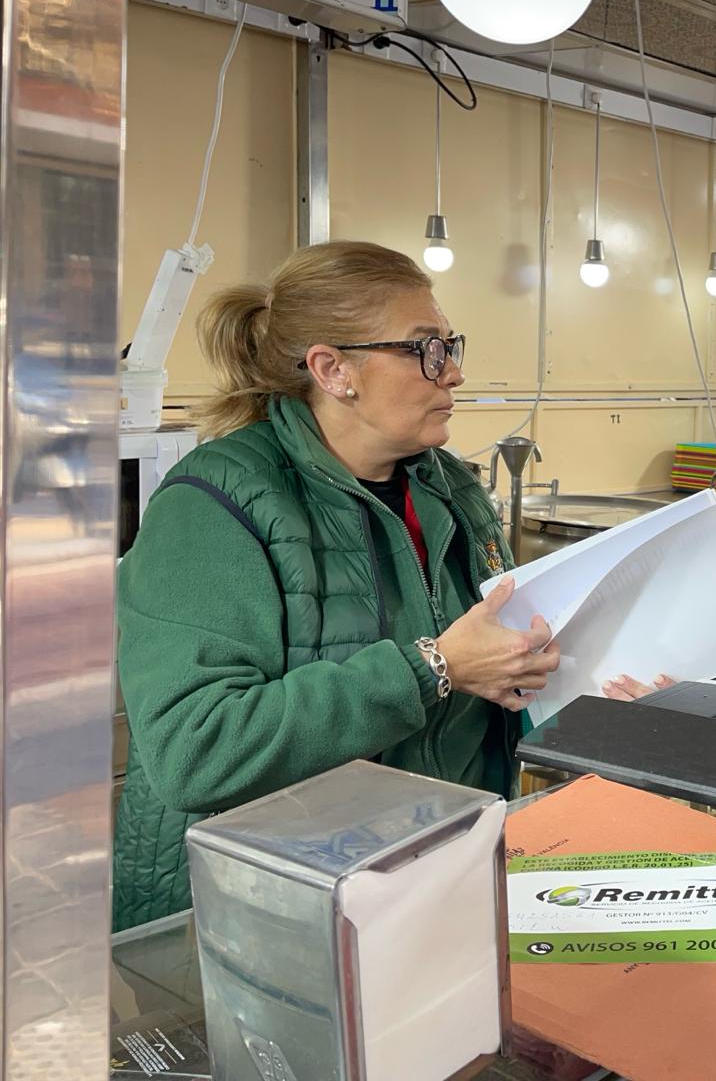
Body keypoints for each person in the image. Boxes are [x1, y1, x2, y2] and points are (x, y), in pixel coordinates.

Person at [114, 242, 658, 930]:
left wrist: (598, 699)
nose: (453, 373)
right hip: (260, 913)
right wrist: (432, 668)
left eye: (450, 346)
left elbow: (500, 672)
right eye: (426, 349)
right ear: (333, 369)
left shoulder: (449, 489)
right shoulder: (216, 504)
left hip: (428, 879)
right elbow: (195, 751)